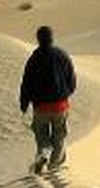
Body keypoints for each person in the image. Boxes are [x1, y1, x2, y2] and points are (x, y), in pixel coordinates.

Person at [19, 25, 77, 173]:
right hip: (60, 104)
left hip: (41, 106)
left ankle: (43, 153)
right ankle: (55, 166)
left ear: (38, 39)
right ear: (52, 37)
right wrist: (66, 93)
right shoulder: (62, 55)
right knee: (60, 134)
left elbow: (26, 82)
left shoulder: (34, 58)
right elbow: (71, 78)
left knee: (41, 133)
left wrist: (24, 103)